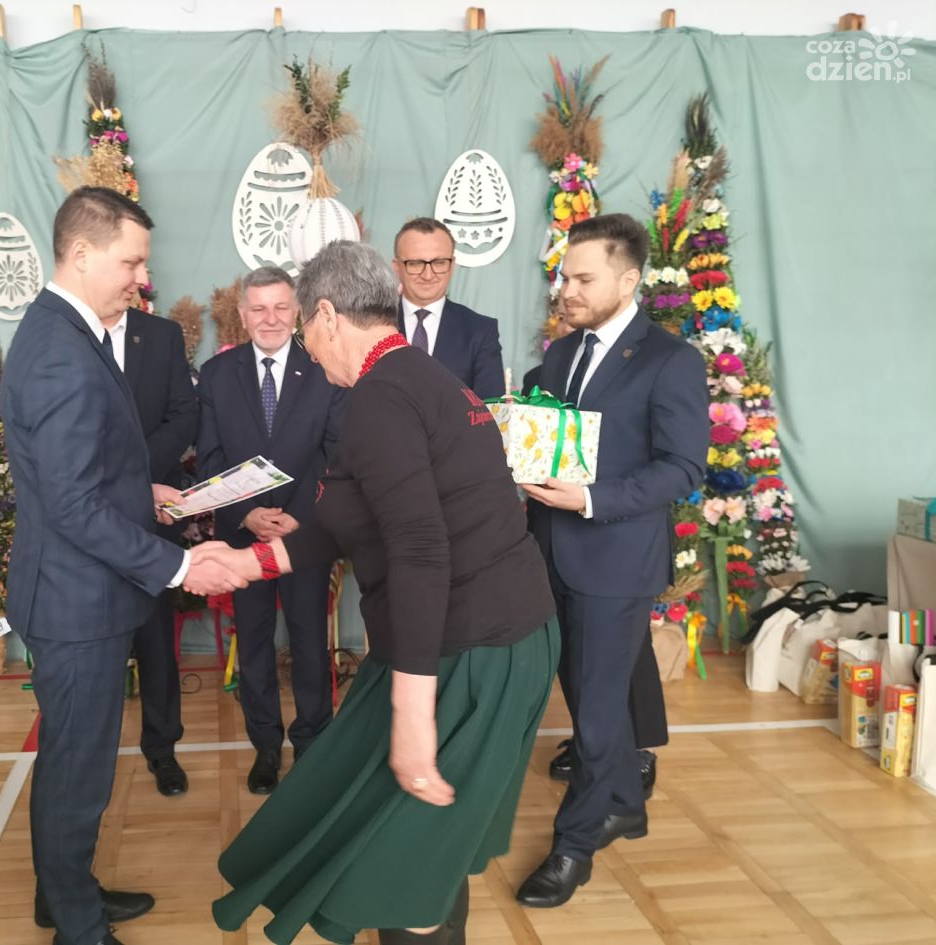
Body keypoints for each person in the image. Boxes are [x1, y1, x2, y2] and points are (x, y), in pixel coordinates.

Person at [205, 240, 558, 945]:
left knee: (410, 865)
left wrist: (412, 713)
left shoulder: (380, 398)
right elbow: (356, 518)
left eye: (304, 330)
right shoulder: (416, 377)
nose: (306, 350)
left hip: (472, 648)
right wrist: (249, 562)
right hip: (475, 638)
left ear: (327, 314)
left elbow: (420, 548)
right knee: (411, 838)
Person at [0, 186, 244, 945]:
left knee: (73, 762)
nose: (142, 279)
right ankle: (77, 927)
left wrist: (143, 490)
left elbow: (75, 474)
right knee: (78, 771)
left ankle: (63, 894)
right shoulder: (63, 353)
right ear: (80, 253)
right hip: (77, 603)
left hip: (79, 592)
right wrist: (178, 568)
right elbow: (73, 506)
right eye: (131, 262)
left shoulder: (60, 332)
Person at [516, 214, 709, 909]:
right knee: (586, 697)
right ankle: (625, 802)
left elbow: (683, 467)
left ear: (628, 280)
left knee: (596, 715)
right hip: (552, 555)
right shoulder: (561, 356)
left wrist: (591, 499)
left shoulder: (671, 360)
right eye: (564, 277)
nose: (566, 290)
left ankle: (573, 846)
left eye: (582, 278)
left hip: (617, 561)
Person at [196, 266, 346, 794]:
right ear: (242, 315)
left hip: (305, 535)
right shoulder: (217, 375)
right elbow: (210, 458)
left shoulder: (324, 369)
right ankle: (265, 747)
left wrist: (299, 516)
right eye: (258, 308)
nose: (271, 318)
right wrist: (247, 515)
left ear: (298, 312)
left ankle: (312, 745)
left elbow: (336, 453)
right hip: (243, 536)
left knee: (309, 643)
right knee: (255, 646)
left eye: (281, 307)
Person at [522, 364, 666, 795]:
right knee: (577, 656)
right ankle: (596, 745)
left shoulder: (649, 370)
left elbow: (669, 465)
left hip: (618, 534)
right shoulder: (544, 374)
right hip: (558, 536)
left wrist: (592, 497)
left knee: (628, 654)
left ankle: (636, 749)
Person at [115, 303, 199, 797]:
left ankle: (162, 749)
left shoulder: (161, 335)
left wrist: (136, 476)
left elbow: (184, 414)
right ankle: (91, 752)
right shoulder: (70, 333)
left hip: (156, 512)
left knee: (155, 640)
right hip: (88, 514)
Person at [392, 217, 505, 398]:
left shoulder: (480, 331)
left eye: (439, 263)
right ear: (397, 267)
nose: (427, 275)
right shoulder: (370, 324)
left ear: (452, 266)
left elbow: (489, 407)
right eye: (415, 263)